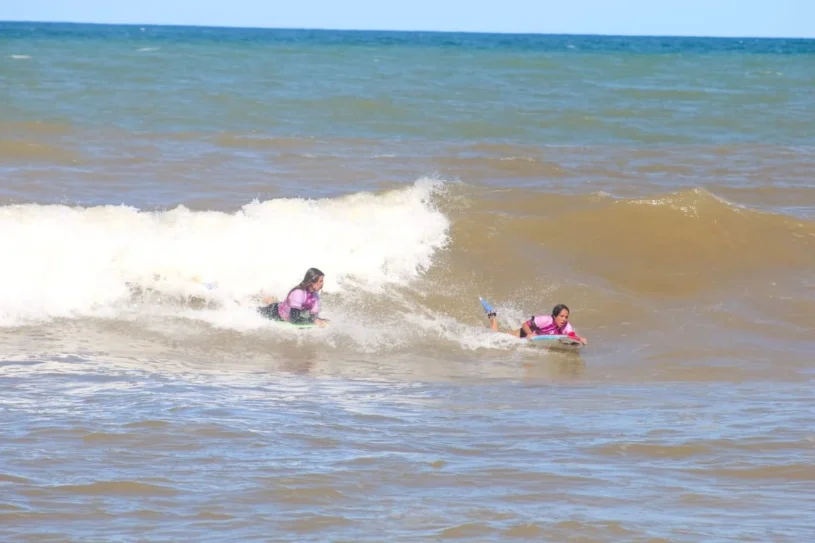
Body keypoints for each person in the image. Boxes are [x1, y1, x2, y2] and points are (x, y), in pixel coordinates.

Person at [258, 268, 329, 327]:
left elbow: (313, 317)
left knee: (278, 303)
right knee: (257, 311)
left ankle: (270, 299)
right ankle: (263, 298)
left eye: (322, 281)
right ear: (311, 282)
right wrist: (314, 321)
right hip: (275, 312)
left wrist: (320, 320)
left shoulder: (315, 296)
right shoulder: (298, 293)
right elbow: (294, 319)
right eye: (320, 281)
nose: (322, 284)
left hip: (285, 308)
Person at [488, 303, 587, 345]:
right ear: (554, 316)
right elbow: (525, 324)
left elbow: (571, 335)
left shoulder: (566, 325)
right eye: (561, 316)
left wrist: (580, 339)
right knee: (497, 337)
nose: (564, 319)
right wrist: (529, 334)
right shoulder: (545, 319)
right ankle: (492, 315)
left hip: (537, 337)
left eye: (566, 317)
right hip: (523, 333)